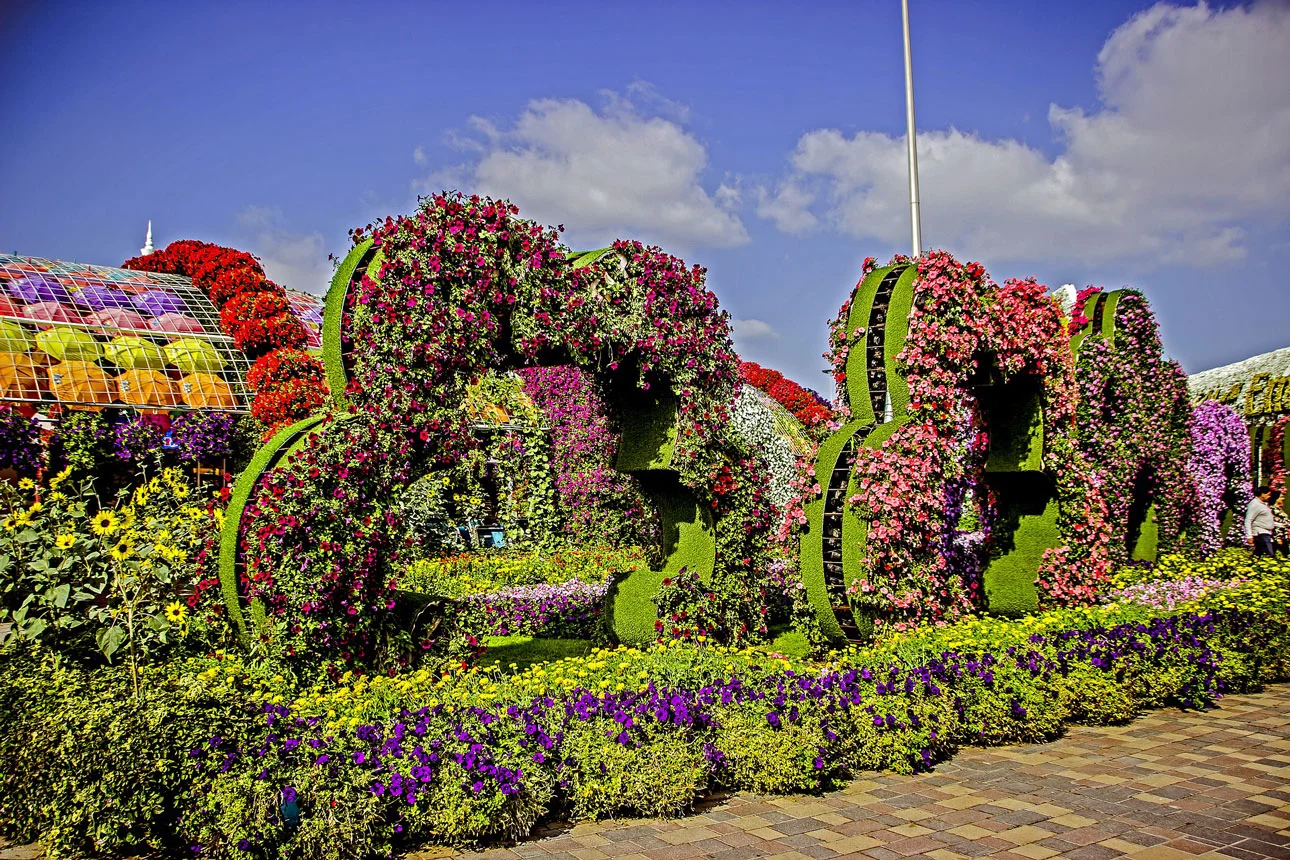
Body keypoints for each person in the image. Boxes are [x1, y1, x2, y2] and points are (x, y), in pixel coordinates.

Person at [1246, 485, 1276, 557]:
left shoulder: (1263, 504)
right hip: (1260, 533)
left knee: (1260, 554)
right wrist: (1249, 536)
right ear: (1262, 494)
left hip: (1266, 533)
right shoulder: (1255, 504)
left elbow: (1266, 519)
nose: (1269, 497)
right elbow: (1248, 520)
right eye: (1268, 495)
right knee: (1268, 554)